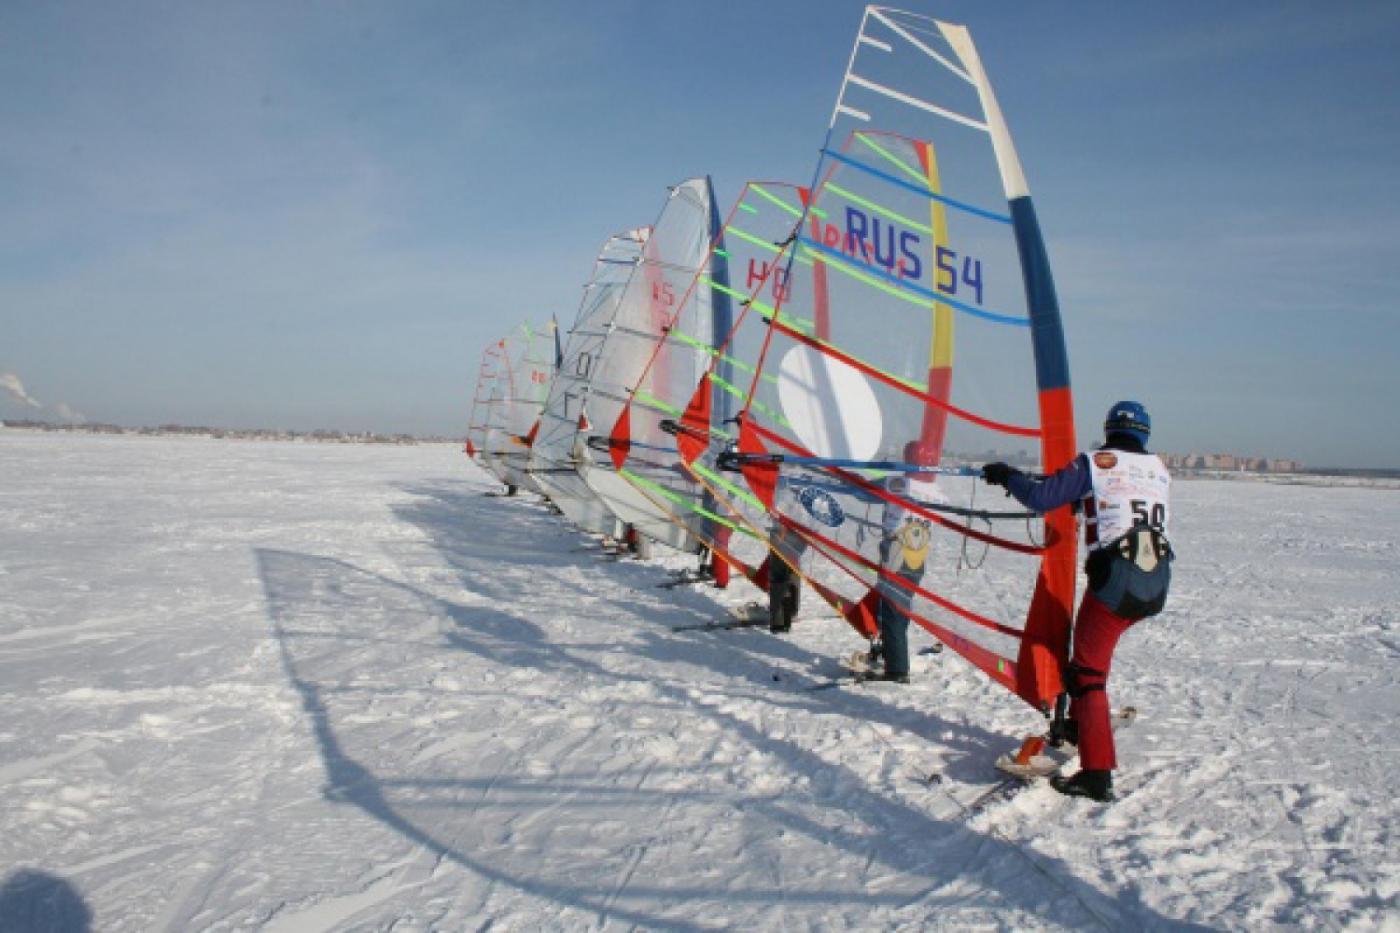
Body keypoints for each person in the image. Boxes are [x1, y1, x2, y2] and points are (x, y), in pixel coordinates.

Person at [982, 400, 1173, 802]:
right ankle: (1078, 724)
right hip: (1156, 582)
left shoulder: (1096, 462)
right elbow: (1117, 500)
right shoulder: (1158, 468)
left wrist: (1007, 475)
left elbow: (1041, 498)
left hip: (1118, 582)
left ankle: (1097, 774)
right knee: (1087, 662)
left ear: (1108, 428)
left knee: (1087, 676)